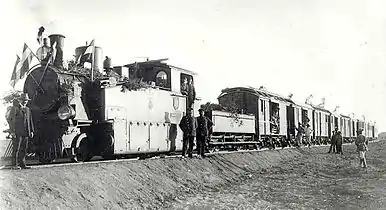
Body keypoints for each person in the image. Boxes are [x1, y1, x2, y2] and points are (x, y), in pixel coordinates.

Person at [8, 93, 34, 169]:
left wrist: (31, 131)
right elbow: (11, 120)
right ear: (20, 100)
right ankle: (14, 165)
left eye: (26, 100)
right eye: (23, 100)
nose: (25, 102)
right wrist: (12, 131)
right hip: (17, 132)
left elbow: (30, 120)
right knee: (16, 148)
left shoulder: (28, 109)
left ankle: (22, 164)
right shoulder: (15, 108)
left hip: (26, 132)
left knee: (24, 148)